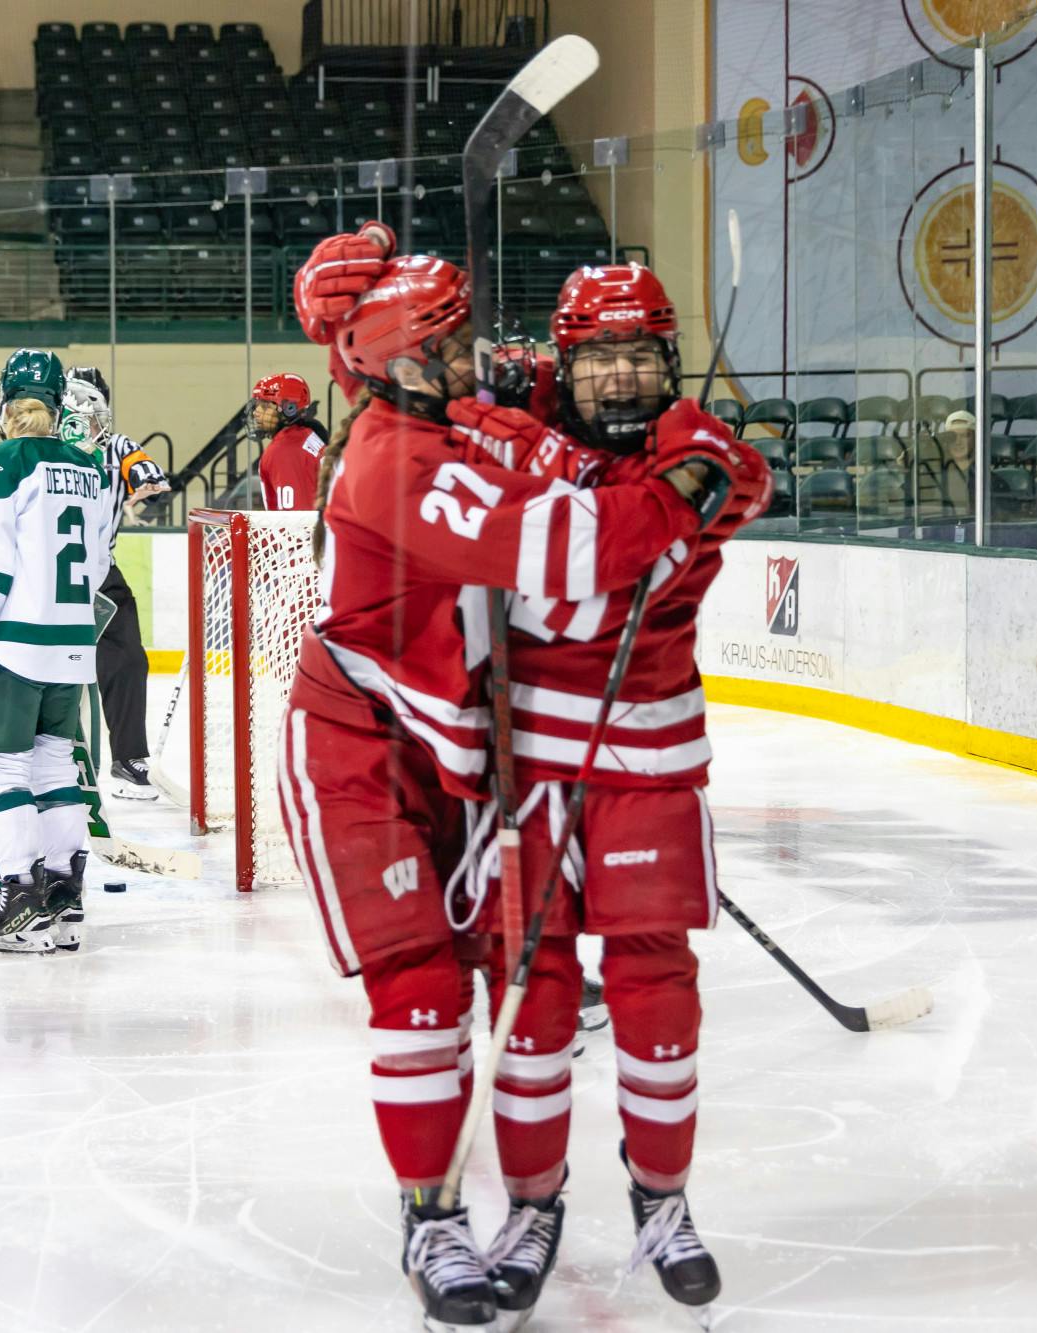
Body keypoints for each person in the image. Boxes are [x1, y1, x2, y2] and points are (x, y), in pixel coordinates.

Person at [281, 228, 738, 1332]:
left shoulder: (446, 411)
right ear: (403, 363)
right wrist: (682, 487)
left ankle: (598, 1203)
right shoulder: (398, 457)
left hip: (461, 749)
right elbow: (571, 548)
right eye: (451, 345)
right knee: (424, 995)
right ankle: (431, 1219)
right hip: (363, 748)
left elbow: (562, 387)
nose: (477, 360)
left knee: (523, 982)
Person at [438, 262, 770, 1321]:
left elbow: (604, 559)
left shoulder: (701, 462)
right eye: (597, 360)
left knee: (653, 997)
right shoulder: (513, 417)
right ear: (568, 365)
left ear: (667, 365)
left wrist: (520, 442)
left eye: (638, 357)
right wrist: (493, 409)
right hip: (525, 766)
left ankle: (661, 1201)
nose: (619, 379)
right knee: (526, 1006)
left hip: (645, 768)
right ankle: (531, 1208)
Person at [0, 349, 119, 955]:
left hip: (12, 645)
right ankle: (65, 892)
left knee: (0, 768)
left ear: (7, 405)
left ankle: (18, 893)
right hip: (71, 646)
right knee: (55, 767)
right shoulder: (89, 471)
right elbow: (95, 564)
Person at [64, 365, 171, 800]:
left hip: (101, 572)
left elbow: (147, 473)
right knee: (51, 670)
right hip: (49, 577)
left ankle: (128, 757)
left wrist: (141, 477)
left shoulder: (117, 447)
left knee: (127, 660)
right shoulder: (43, 449)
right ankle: (38, 760)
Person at [249, 372, 328, 511]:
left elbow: (295, 523)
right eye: (257, 405)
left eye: (265, 406)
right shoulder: (306, 435)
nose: (256, 412)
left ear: (289, 409)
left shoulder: (284, 451)